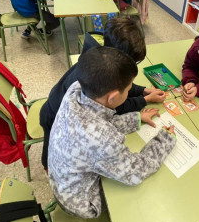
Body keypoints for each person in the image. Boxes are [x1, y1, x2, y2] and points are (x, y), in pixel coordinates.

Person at [48, 47, 177, 219]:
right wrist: (164, 141)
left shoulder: (77, 89)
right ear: (113, 97)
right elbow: (135, 173)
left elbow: (98, 121)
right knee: (142, 198)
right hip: (79, 202)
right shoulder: (103, 141)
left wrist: (136, 118)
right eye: (128, 89)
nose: (130, 90)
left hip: (60, 177)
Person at [39, 17, 166, 170]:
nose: (129, 86)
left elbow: (117, 91)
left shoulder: (97, 63)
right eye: (128, 87)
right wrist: (144, 100)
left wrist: (142, 93)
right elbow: (134, 170)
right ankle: (48, 167)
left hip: (58, 106)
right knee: (51, 154)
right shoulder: (102, 137)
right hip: (52, 116)